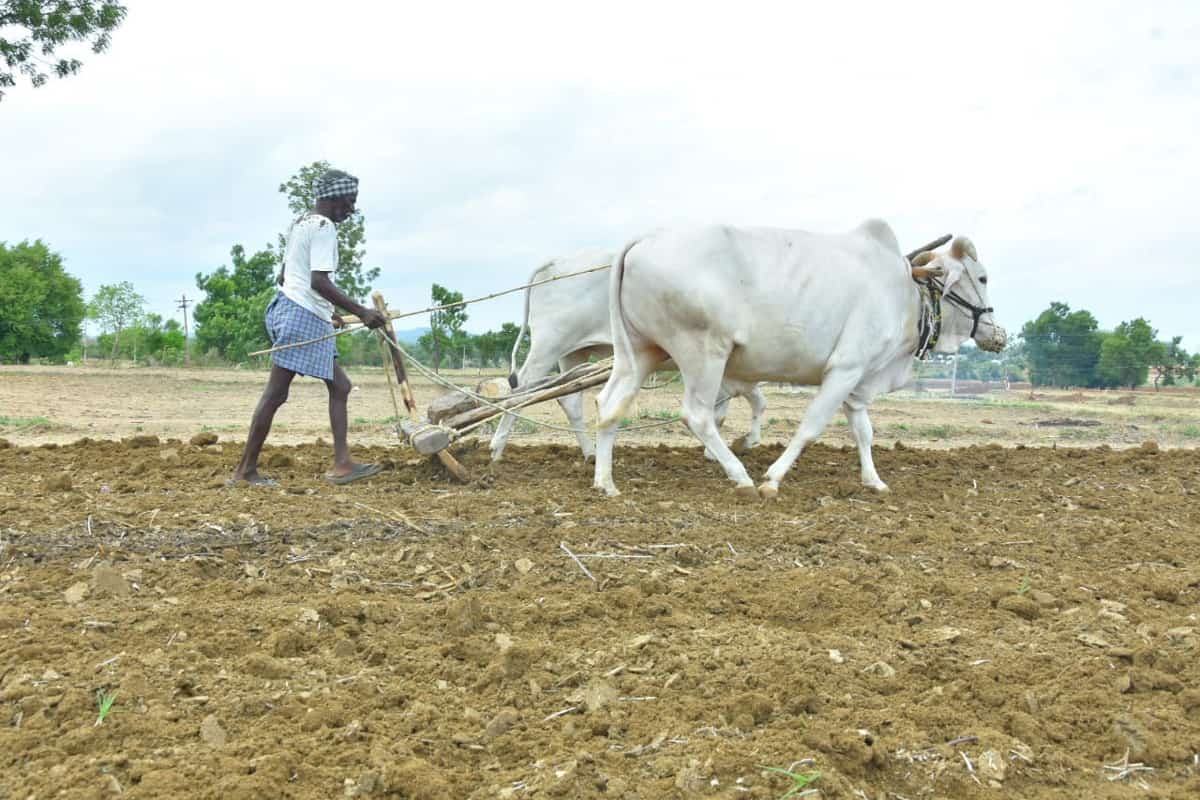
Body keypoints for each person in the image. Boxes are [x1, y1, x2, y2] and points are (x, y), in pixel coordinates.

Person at [229, 169, 388, 487]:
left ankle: (342, 464)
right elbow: (318, 280)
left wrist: (326, 313)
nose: (351, 209)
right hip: (300, 315)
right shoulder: (324, 227)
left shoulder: (302, 223)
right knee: (275, 394)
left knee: (339, 386)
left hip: (292, 309)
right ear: (334, 196)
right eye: (350, 201)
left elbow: (286, 275)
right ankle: (245, 471)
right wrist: (362, 312)